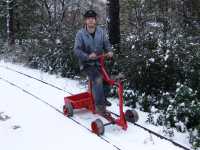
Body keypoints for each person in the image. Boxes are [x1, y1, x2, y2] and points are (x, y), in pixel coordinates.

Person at [74, 10, 113, 114]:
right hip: (86, 64)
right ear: (85, 21)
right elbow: (76, 50)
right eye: (88, 19)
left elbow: (106, 44)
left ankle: (101, 99)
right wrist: (87, 56)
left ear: (95, 20)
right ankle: (99, 106)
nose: (91, 20)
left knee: (108, 81)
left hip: (99, 63)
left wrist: (109, 51)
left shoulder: (101, 32)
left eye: (93, 19)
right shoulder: (80, 34)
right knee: (98, 79)